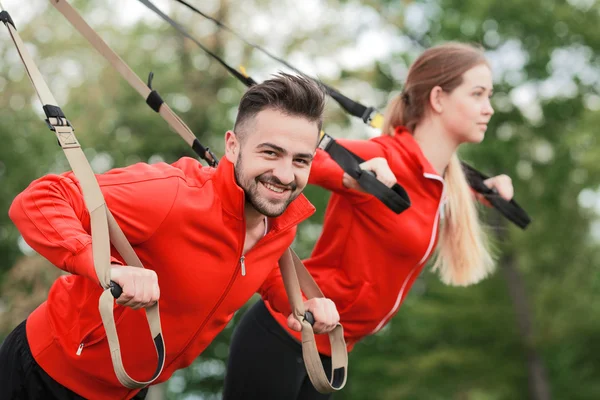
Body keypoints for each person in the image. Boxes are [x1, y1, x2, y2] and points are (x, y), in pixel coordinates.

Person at [0, 73, 342, 400]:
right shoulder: (171, 195)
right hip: (45, 375)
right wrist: (108, 267)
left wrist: (301, 304)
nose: (285, 174)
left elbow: (255, 267)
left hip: (130, 387)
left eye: (301, 160)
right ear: (233, 146)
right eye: (270, 152)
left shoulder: (278, 222)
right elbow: (39, 200)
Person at [223, 42, 516, 400]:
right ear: (438, 98)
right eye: (478, 94)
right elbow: (300, 162)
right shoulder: (382, 157)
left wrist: (488, 189)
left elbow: (425, 198)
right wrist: (350, 175)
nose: (489, 108)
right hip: (283, 337)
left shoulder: (441, 182)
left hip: (332, 349)